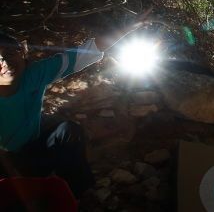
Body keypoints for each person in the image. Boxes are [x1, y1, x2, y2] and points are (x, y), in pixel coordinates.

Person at [0, 22, 142, 198]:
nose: (5, 62)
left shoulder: (33, 75)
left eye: (9, 53)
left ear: (22, 55)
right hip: (8, 164)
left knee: (68, 131)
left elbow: (82, 55)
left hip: (34, 146)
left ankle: (79, 193)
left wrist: (126, 27)